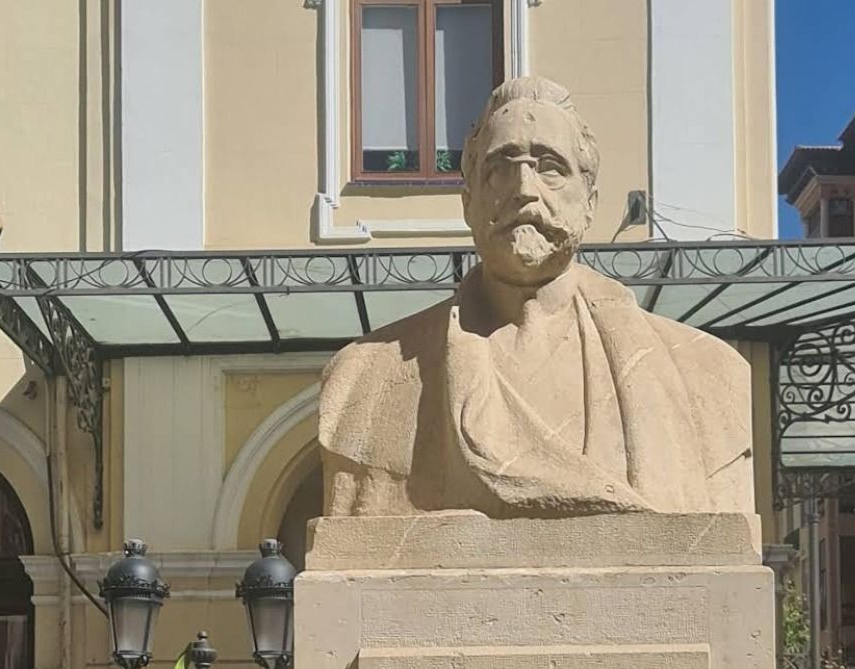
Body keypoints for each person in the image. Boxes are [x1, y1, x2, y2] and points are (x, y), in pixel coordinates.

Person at [318, 77, 753, 518]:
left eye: (550, 167)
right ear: (468, 204)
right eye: (500, 168)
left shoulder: (708, 376)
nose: (524, 189)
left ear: (589, 202)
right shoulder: (365, 379)